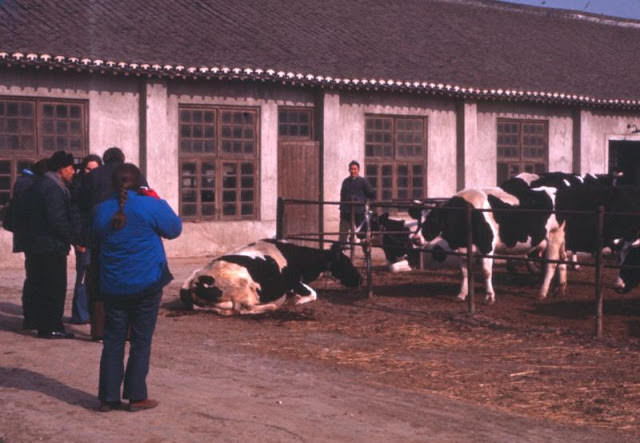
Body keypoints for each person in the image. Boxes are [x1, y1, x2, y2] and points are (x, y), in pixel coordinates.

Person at [94, 163, 181, 412]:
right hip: (147, 281)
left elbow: (97, 236)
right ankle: (136, 396)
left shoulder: (101, 210)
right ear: (139, 182)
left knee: (113, 340)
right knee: (141, 340)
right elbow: (174, 229)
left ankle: (108, 397)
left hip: (113, 283)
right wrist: (158, 199)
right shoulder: (150, 205)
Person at [79, 146, 148, 340]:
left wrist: (82, 238)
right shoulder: (133, 174)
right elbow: (144, 199)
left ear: (105, 159)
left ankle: (98, 331)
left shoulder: (93, 176)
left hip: (98, 236)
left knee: (98, 284)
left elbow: (80, 206)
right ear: (122, 159)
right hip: (128, 236)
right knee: (126, 281)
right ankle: (126, 331)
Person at [24, 151, 77, 339]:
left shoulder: (42, 184)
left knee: (41, 285)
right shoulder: (53, 188)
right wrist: (73, 238)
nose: (73, 172)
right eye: (71, 168)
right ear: (62, 169)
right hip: (50, 245)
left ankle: (42, 323)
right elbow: (57, 220)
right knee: (53, 287)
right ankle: (51, 326)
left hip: (39, 244)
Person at [3, 159, 49, 329]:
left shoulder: (24, 182)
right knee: (37, 279)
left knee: (33, 278)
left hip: (30, 238)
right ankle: (33, 317)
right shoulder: (29, 184)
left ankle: (31, 317)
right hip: (34, 238)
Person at [69, 154, 103, 324]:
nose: (91, 172)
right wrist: (79, 240)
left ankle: (92, 312)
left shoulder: (102, 186)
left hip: (99, 238)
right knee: (82, 276)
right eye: (88, 169)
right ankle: (80, 315)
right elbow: (75, 217)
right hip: (84, 239)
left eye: (95, 169)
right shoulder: (78, 187)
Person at [338, 160, 375, 246]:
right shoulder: (346, 182)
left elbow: (371, 193)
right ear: (349, 170)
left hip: (359, 211)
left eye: (355, 169)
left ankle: (366, 254)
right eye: (351, 169)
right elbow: (342, 196)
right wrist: (341, 209)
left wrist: (364, 202)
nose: (353, 171)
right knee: (343, 233)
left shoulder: (363, 181)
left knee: (362, 234)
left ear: (358, 170)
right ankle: (340, 253)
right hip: (346, 211)